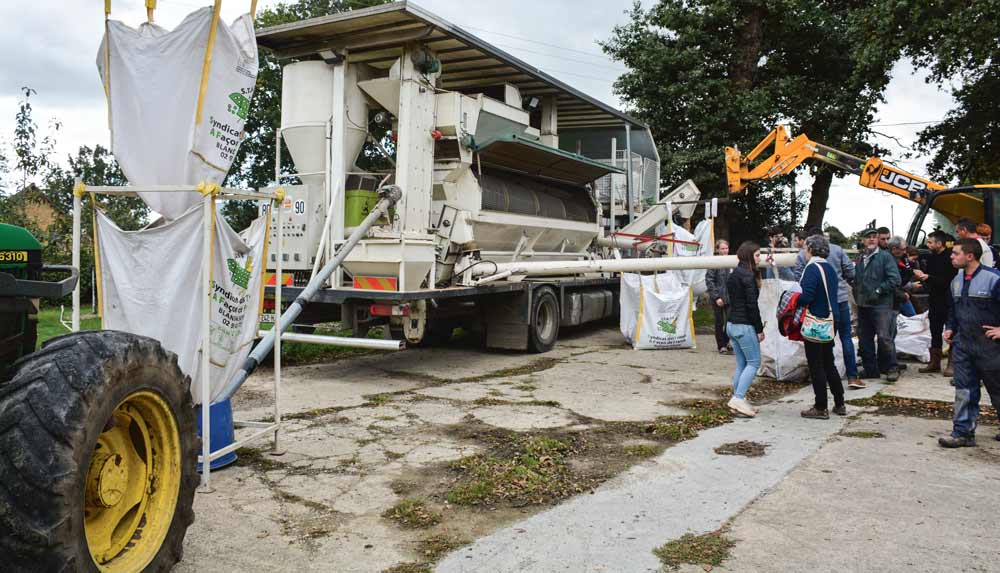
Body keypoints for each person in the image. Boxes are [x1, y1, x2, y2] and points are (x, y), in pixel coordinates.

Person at [938, 239, 1000, 448]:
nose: (951, 256)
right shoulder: (956, 281)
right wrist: (949, 328)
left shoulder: (993, 279)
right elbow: (952, 311)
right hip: (963, 344)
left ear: (970, 256)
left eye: (956, 253)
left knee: (997, 390)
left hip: (990, 347)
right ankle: (963, 433)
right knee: (964, 390)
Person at [793, 226, 861, 387]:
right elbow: (850, 271)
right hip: (840, 299)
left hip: (819, 305)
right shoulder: (837, 250)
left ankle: (821, 376)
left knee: (821, 342)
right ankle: (852, 376)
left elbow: (798, 277)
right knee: (846, 338)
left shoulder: (803, 255)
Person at [797, 234, 846, 419]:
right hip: (832, 319)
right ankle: (840, 403)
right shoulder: (830, 268)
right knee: (828, 362)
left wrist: (792, 296)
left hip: (817, 321)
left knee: (816, 365)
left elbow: (806, 297)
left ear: (810, 249)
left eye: (805, 248)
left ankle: (820, 406)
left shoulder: (811, 269)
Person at [855, 226, 902, 384]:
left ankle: (892, 368)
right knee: (865, 339)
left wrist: (879, 290)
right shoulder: (861, 258)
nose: (872, 239)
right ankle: (871, 371)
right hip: (863, 305)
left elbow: (895, 279)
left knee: (884, 338)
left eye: (874, 237)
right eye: (868, 237)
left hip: (881, 305)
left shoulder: (885, 257)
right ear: (863, 240)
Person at [725, 241, 765, 418]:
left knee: (742, 364)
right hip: (744, 326)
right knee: (754, 363)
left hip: (731, 325)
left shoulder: (734, 274)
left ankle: (737, 399)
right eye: (757, 255)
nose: (760, 258)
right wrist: (759, 328)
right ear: (749, 256)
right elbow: (752, 305)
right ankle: (738, 398)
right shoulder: (748, 276)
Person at [913, 231, 957, 375]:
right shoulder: (931, 258)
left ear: (939, 243)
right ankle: (935, 362)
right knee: (935, 331)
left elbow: (948, 281)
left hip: (948, 300)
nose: (928, 245)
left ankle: (952, 363)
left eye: (931, 242)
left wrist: (928, 277)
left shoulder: (950, 258)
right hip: (935, 299)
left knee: (952, 331)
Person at [705, 239, 733, 354]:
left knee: (730, 320)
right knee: (719, 322)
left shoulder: (732, 261)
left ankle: (727, 342)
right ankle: (721, 345)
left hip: (730, 297)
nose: (725, 251)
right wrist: (716, 297)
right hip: (718, 297)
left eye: (726, 248)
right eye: (722, 248)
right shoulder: (714, 262)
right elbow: (709, 280)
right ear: (717, 249)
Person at [888, 236, 918, 317]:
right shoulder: (887, 263)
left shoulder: (903, 258)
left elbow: (904, 277)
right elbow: (890, 284)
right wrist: (903, 295)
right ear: (894, 249)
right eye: (903, 249)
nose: (905, 252)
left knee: (912, 317)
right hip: (893, 298)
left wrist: (913, 271)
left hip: (901, 294)